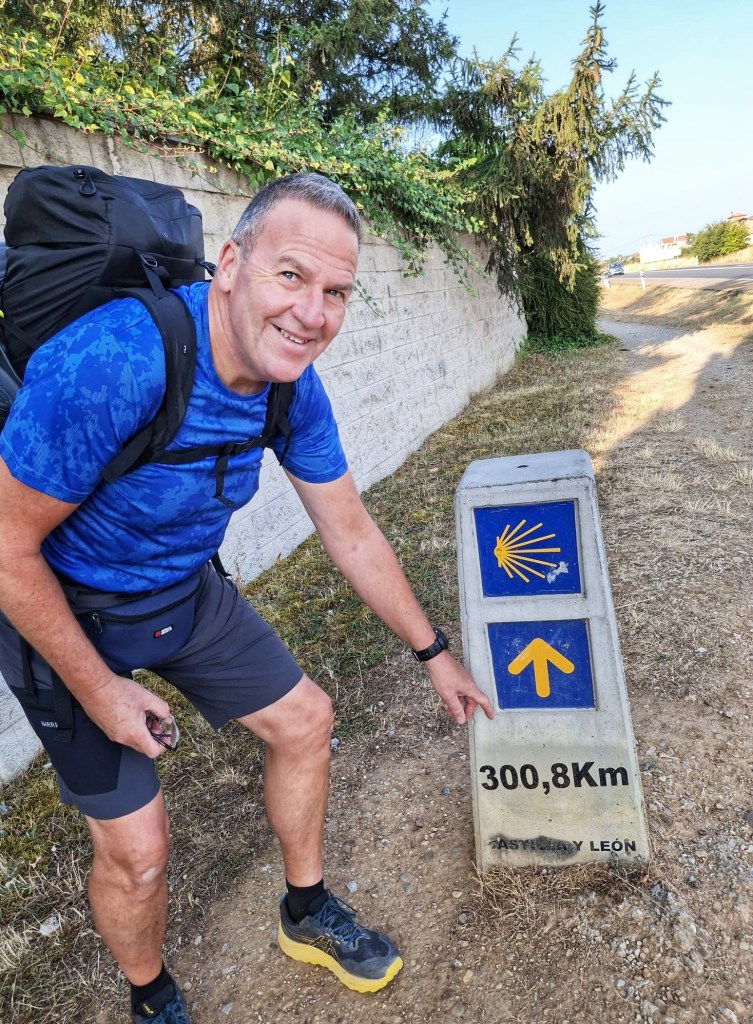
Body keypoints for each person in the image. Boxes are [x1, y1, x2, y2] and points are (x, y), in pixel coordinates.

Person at [0, 173, 493, 1023]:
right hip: (62, 609)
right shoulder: (116, 362)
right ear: (229, 266)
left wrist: (432, 652)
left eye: (336, 292)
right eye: (290, 276)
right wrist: (102, 691)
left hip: (183, 593)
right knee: (138, 852)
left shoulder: (290, 386)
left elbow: (350, 531)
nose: (312, 313)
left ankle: (306, 911)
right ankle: (152, 998)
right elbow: (7, 549)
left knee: (306, 721)